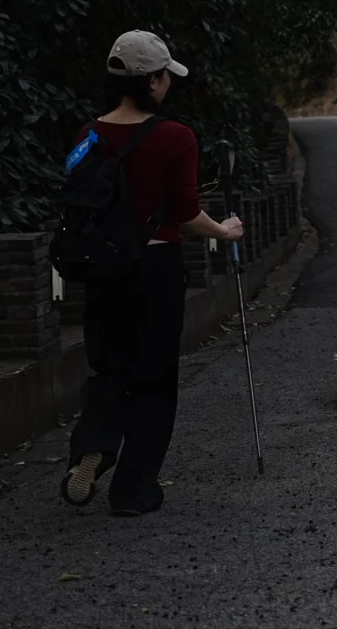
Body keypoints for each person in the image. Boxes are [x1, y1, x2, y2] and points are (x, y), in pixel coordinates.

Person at [62, 30, 244, 515]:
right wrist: (224, 232)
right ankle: (133, 489)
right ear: (154, 81)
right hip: (155, 266)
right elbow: (185, 214)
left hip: (101, 268)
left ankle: (92, 447)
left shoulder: (87, 136)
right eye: (166, 76)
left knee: (108, 367)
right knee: (154, 377)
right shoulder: (174, 136)